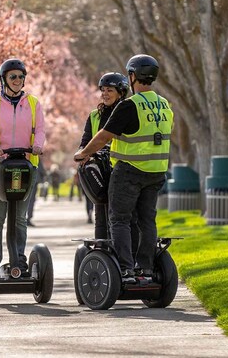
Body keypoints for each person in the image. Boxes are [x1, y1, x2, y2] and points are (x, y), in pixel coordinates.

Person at [74, 55, 173, 283]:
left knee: (118, 219)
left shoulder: (130, 105)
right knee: (147, 221)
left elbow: (104, 136)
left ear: (132, 76)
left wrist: (83, 153)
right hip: (157, 171)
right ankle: (146, 269)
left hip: (129, 171)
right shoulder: (164, 105)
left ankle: (126, 270)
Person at [0, 58, 45, 277]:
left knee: (19, 217)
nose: (17, 80)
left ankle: (18, 261)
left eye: (20, 76)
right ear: (4, 80)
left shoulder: (34, 103)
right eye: (13, 77)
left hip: (26, 164)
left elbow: (41, 130)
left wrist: (37, 146)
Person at [77, 72, 129, 237]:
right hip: (101, 171)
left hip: (121, 170)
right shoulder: (95, 115)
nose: (105, 94)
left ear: (121, 92)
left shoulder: (128, 112)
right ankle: (101, 251)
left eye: (110, 90)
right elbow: (85, 142)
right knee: (100, 212)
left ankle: (121, 250)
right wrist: (81, 153)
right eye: (103, 90)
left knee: (119, 214)